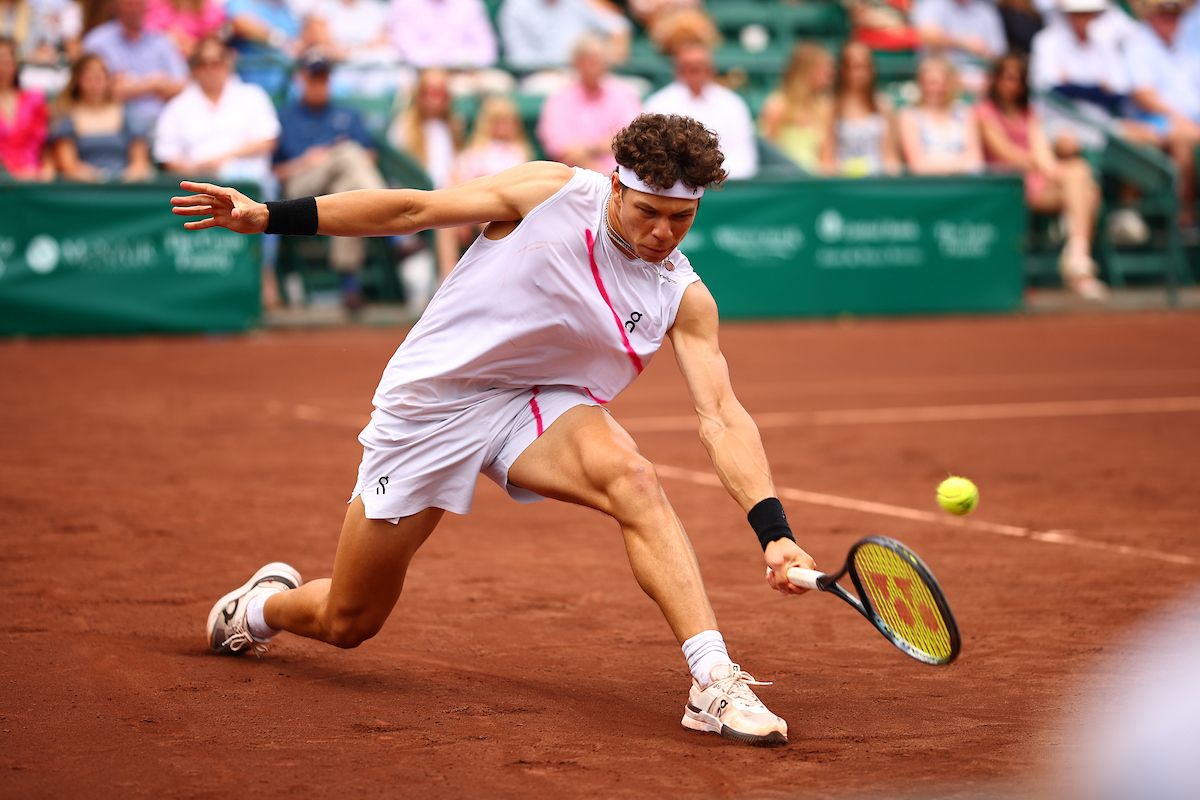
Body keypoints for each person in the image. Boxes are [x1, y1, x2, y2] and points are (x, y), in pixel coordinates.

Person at [173, 112, 818, 747]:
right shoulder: (551, 192)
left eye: (681, 218)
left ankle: (713, 680)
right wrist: (268, 216)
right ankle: (260, 607)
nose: (662, 233)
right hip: (435, 403)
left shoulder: (682, 295)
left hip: (537, 404)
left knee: (634, 479)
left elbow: (721, 415)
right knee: (348, 619)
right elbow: (412, 209)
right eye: (648, 211)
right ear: (617, 186)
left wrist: (776, 533)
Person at [977, 54, 1106, 298]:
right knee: (1087, 192)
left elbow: (1041, 149)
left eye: (1018, 79)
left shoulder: (1028, 113)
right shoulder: (983, 112)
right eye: (1008, 78)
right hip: (1008, 186)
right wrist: (1045, 166)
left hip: (1035, 179)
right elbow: (1006, 153)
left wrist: (1050, 169)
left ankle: (1077, 258)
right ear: (996, 79)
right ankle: (1078, 266)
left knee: (1080, 175)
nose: (1013, 84)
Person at [274, 53, 385, 311]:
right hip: (299, 188)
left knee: (347, 192)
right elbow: (274, 171)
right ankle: (393, 234)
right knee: (348, 152)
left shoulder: (346, 113)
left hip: (340, 185)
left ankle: (350, 284)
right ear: (301, 79)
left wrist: (331, 157)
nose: (319, 85)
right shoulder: (285, 116)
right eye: (313, 78)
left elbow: (370, 155)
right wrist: (307, 162)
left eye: (323, 79)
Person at [153, 36, 279, 185]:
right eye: (203, 64)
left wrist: (223, 159)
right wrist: (197, 171)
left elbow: (267, 140)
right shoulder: (177, 106)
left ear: (228, 63)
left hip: (251, 182)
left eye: (216, 63)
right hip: (198, 184)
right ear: (194, 69)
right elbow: (167, 156)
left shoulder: (253, 96)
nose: (210, 70)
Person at [1124, 0, 1200, 231]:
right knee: (1182, 141)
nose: (1170, 21)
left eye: (1174, 16)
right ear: (1151, 17)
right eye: (1164, 15)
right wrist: (1181, 119)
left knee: (1184, 142)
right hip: (1151, 122)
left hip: (1187, 123)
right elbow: (1143, 95)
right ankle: (1183, 219)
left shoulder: (1186, 47)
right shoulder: (1139, 44)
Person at [643, 42, 758, 179]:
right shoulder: (658, 104)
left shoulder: (732, 104)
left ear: (711, 69)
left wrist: (711, 175)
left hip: (724, 183)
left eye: (700, 66)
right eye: (688, 66)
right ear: (678, 69)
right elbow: (653, 153)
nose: (695, 71)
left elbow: (743, 156)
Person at [536, 34, 640, 173]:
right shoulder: (559, 98)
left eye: (598, 60)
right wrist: (599, 172)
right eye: (588, 60)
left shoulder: (624, 94)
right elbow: (559, 147)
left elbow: (631, 139)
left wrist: (589, 149)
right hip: (573, 175)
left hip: (623, 173)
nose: (593, 66)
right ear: (576, 63)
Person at [81, 0, 186, 131]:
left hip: (162, 122)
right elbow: (100, 89)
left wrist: (129, 88)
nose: (134, 9)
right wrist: (155, 84)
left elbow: (181, 85)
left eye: (138, 3)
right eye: (129, 4)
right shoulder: (97, 42)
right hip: (115, 125)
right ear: (116, 6)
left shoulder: (161, 41)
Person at [50, 52, 151, 181]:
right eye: (88, 79)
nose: (94, 84)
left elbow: (140, 162)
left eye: (98, 78)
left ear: (108, 80)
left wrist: (123, 179)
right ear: (78, 81)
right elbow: (68, 165)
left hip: (124, 187)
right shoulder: (66, 117)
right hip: (83, 187)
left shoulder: (128, 114)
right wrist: (96, 177)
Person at [821, 41, 901, 176]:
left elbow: (890, 157)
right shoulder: (831, 106)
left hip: (878, 181)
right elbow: (827, 159)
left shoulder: (884, 105)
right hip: (843, 182)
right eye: (853, 67)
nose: (859, 73)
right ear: (843, 70)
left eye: (864, 66)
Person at [898, 56, 983, 175]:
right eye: (932, 83)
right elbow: (917, 165)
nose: (939, 88)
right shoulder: (909, 116)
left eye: (944, 82)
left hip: (964, 183)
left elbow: (975, 161)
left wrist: (933, 163)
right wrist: (960, 163)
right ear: (921, 83)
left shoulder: (965, 112)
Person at [758, 43, 834, 174]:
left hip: (817, 182)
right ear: (806, 71)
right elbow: (769, 154)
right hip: (784, 180)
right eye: (823, 68)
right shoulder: (776, 105)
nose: (830, 73)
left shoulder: (825, 108)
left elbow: (826, 158)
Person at [498, 0, 631, 73]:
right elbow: (519, 58)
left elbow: (619, 26)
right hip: (538, 75)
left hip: (582, 73)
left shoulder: (579, 3)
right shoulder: (516, 6)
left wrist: (610, 55)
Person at [912, 0, 1007, 92]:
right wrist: (963, 43)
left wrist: (983, 51)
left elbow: (999, 53)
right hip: (942, 73)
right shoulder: (933, 4)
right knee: (937, 77)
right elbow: (928, 35)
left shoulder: (986, 11)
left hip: (979, 78)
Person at [0, 34, 51, 178]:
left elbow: (45, 146)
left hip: (33, 177)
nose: (3, 67)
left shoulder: (35, 99)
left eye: (7, 60)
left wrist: (47, 169)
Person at [453, 94, 533, 184]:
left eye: (507, 121)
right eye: (498, 121)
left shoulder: (520, 152)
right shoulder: (474, 153)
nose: (503, 127)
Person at [144, 0, 223, 59]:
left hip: (197, 63)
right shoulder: (157, 4)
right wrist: (167, 37)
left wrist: (193, 45)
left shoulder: (210, 8)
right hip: (161, 59)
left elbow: (213, 40)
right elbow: (148, 32)